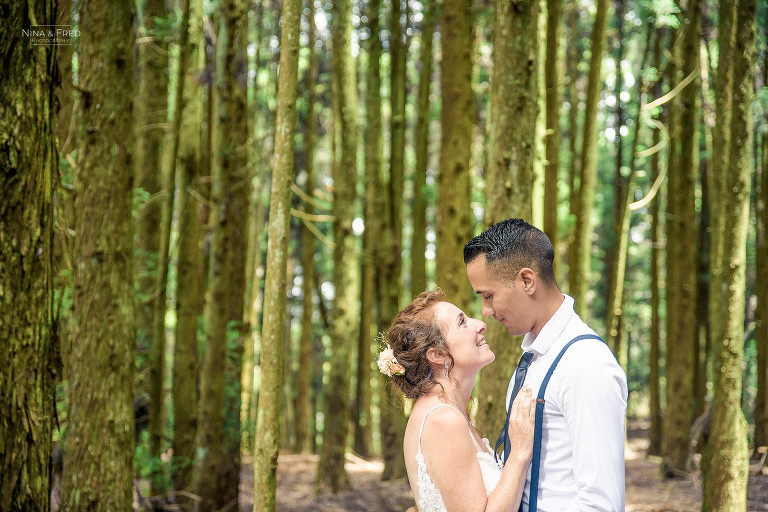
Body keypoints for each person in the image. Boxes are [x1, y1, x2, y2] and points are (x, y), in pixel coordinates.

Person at [464, 218, 628, 511]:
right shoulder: (533, 357)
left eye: (488, 296)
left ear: (527, 281)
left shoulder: (586, 365)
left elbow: (602, 504)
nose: (486, 312)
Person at [378, 288, 536, 511]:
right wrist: (519, 454)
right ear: (437, 355)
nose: (480, 323)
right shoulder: (444, 420)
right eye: (462, 323)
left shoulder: (442, 411)